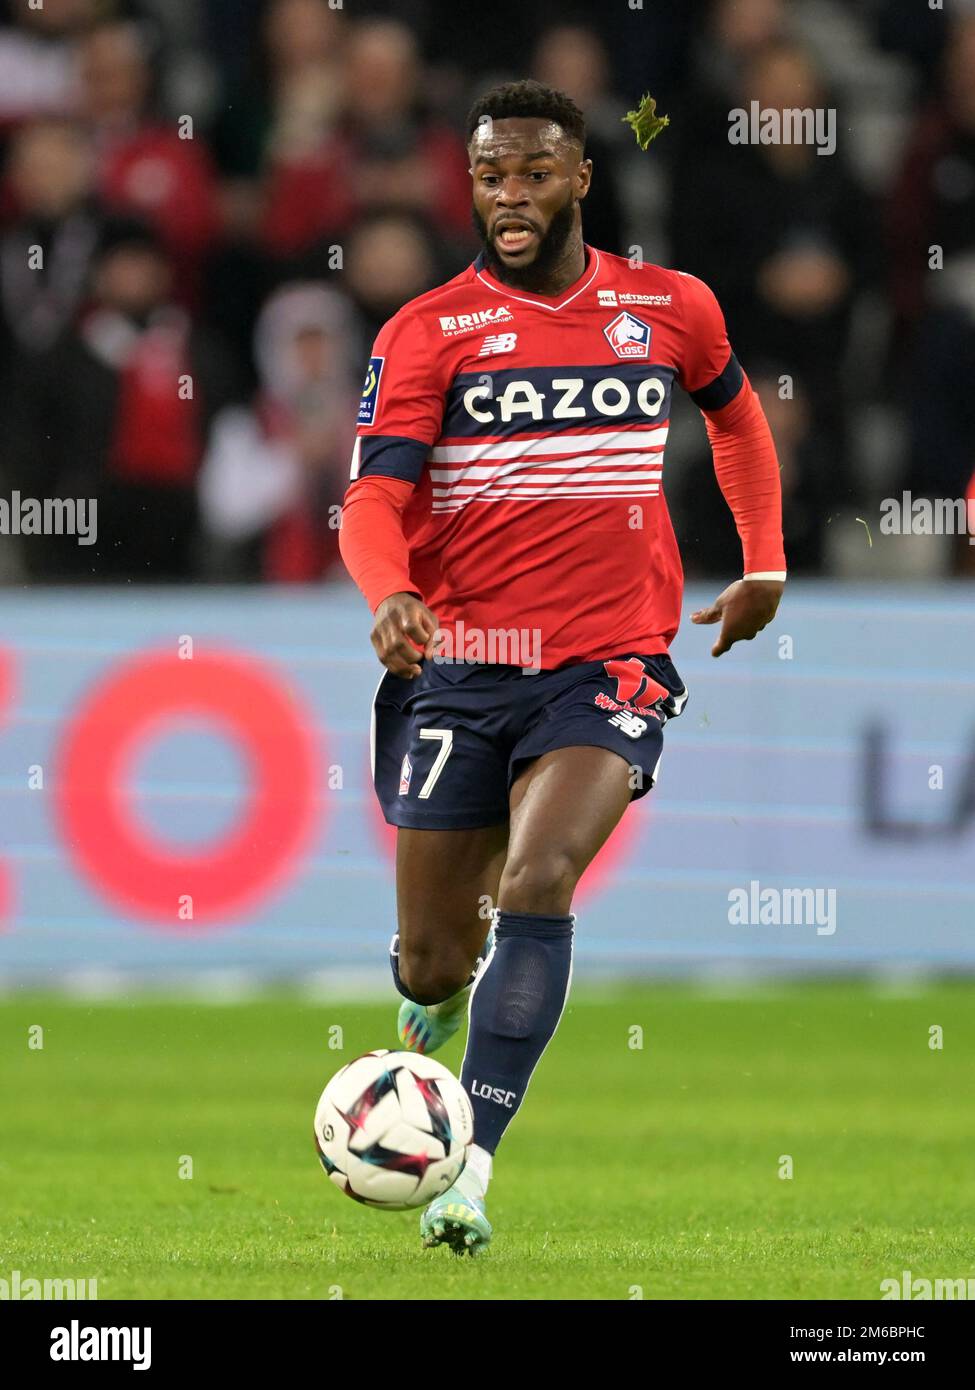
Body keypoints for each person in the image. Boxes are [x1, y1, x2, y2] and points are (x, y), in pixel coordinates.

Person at [339, 80, 785, 1255]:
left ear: (581, 178)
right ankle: (432, 1003)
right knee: (439, 957)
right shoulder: (427, 330)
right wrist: (388, 589)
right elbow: (373, 499)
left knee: (539, 880)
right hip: (466, 663)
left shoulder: (667, 306)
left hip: (612, 658)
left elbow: (734, 420)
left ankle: (470, 1168)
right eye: (490, 176)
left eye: (534, 173)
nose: (511, 196)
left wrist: (766, 559)